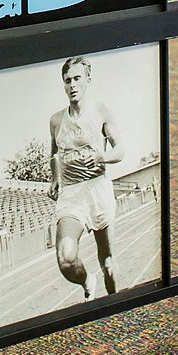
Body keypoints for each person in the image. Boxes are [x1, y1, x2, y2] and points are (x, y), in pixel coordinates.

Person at [48, 56, 123, 301]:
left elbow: (120, 150)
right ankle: (87, 280)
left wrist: (102, 157)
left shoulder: (100, 110)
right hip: (72, 196)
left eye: (77, 78)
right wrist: (55, 179)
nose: (72, 85)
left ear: (88, 80)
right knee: (66, 259)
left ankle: (114, 308)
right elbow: (54, 154)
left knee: (109, 264)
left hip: (98, 191)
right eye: (67, 81)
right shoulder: (56, 120)